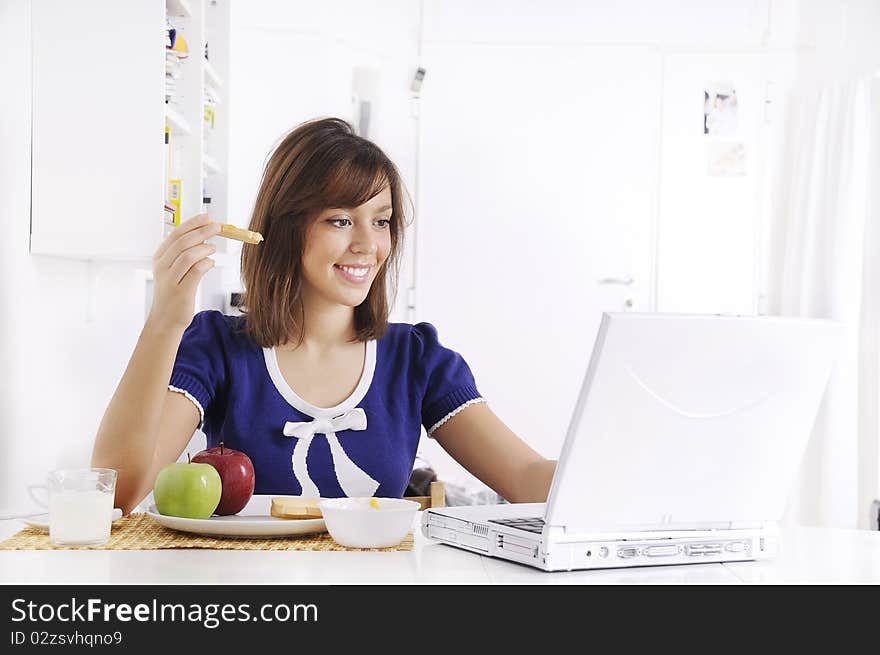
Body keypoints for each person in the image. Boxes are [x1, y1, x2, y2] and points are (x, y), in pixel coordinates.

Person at [91, 117, 556, 515]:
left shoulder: (418, 360)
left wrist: (613, 475)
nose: (367, 245)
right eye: (340, 220)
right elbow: (116, 496)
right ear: (285, 228)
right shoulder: (216, 347)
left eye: (381, 221)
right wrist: (165, 322)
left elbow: (526, 475)